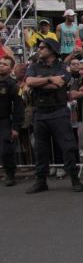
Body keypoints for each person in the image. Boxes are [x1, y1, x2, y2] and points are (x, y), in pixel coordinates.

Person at [24, 38, 83, 193]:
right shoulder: (34, 66)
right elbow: (29, 81)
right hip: (40, 112)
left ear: (51, 50)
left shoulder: (62, 67)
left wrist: (41, 83)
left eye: (43, 47)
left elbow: (60, 84)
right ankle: (41, 181)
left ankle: (74, 178)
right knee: (40, 149)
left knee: (67, 147)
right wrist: (49, 79)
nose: (39, 49)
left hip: (58, 111)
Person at [0, 56, 24, 186]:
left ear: (11, 68)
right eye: (0, 63)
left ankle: (10, 174)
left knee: (6, 150)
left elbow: (19, 108)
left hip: (5, 121)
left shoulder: (13, 85)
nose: (1, 65)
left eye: (5, 64)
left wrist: (16, 127)